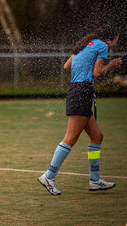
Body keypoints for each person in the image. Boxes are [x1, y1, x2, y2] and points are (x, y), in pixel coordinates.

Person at [38, 25, 122, 195]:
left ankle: (95, 180)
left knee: (97, 136)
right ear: (110, 39)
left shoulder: (87, 44)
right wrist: (111, 65)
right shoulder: (103, 46)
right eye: (116, 39)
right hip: (82, 92)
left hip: (78, 91)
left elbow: (66, 65)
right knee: (70, 138)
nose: (116, 42)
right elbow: (97, 73)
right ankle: (49, 175)